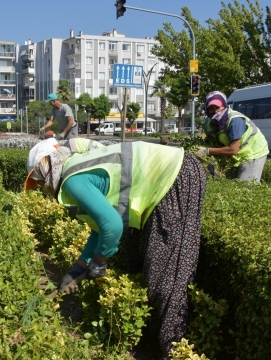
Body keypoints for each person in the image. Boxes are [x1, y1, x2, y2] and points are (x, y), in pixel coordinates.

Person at [24, 139, 207, 358]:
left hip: (176, 176)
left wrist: (100, 261)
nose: (42, 188)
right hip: (168, 181)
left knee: (167, 273)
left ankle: (173, 349)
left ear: (46, 167)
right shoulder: (77, 172)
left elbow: (111, 226)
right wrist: (78, 268)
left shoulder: (72, 181)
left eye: (38, 180)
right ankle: (153, 334)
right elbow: (99, 228)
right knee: (138, 257)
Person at [196, 91, 269, 182]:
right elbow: (211, 140)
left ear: (224, 106)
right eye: (211, 108)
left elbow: (233, 149)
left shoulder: (235, 121)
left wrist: (207, 151)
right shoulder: (208, 122)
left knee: (245, 187)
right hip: (237, 154)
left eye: (218, 107)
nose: (215, 111)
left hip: (253, 152)